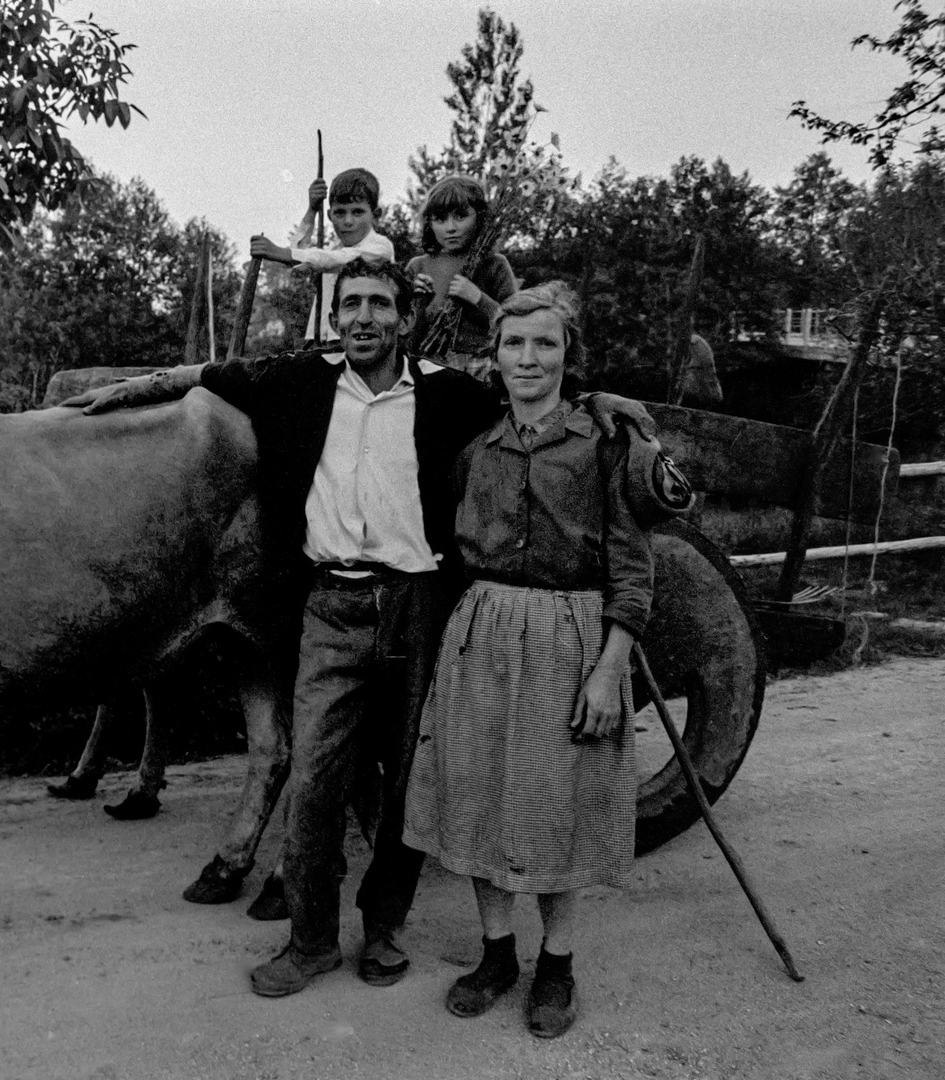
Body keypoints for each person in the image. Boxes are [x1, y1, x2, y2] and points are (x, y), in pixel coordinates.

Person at [67, 261, 653, 1000]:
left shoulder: (447, 393)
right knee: (312, 778)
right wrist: (126, 389)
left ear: (405, 318)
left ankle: (383, 928)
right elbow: (209, 372)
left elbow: (535, 388)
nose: (365, 317)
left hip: (418, 608)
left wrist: (606, 403)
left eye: (380, 303)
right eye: (351, 305)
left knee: (410, 779)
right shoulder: (300, 381)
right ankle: (309, 942)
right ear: (334, 316)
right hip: (330, 607)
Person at [402, 282, 652, 1038]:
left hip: (568, 637)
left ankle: (557, 965)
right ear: (495, 355)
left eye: (545, 343)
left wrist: (609, 668)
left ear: (567, 354)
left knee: (556, 807)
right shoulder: (475, 448)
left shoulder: (604, 444)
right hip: (479, 630)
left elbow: (633, 568)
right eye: (514, 343)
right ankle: (496, 954)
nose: (528, 357)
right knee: (475, 798)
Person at [250, 167, 397, 344]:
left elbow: (331, 260)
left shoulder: (380, 248)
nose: (348, 221)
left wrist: (282, 253)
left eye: (357, 212)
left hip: (361, 340)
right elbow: (300, 257)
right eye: (340, 212)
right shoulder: (331, 249)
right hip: (320, 339)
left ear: (376, 215)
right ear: (329, 215)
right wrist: (312, 210)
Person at [407, 175, 517, 379]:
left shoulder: (493, 264)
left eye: (460, 216)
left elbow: (515, 325)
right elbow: (408, 337)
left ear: (480, 218)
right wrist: (419, 303)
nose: (451, 228)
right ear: (429, 223)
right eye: (440, 219)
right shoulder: (419, 267)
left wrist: (477, 298)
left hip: (481, 368)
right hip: (430, 367)